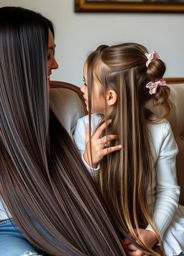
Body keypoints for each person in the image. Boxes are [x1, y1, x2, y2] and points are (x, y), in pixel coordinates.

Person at [0, 7, 127, 256]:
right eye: (47, 55)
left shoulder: (65, 106)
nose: (56, 64)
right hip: (1, 233)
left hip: (61, 225)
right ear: (18, 61)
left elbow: (76, 182)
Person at [74, 43, 184, 256]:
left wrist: (152, 234)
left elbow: (168, 191)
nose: (81, 90)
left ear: (110, 97)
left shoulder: (160, 130)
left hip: (155, 222)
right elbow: (79, 194)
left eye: (86, 84)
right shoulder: (85, 128)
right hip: (104, 228)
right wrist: (89, 162)